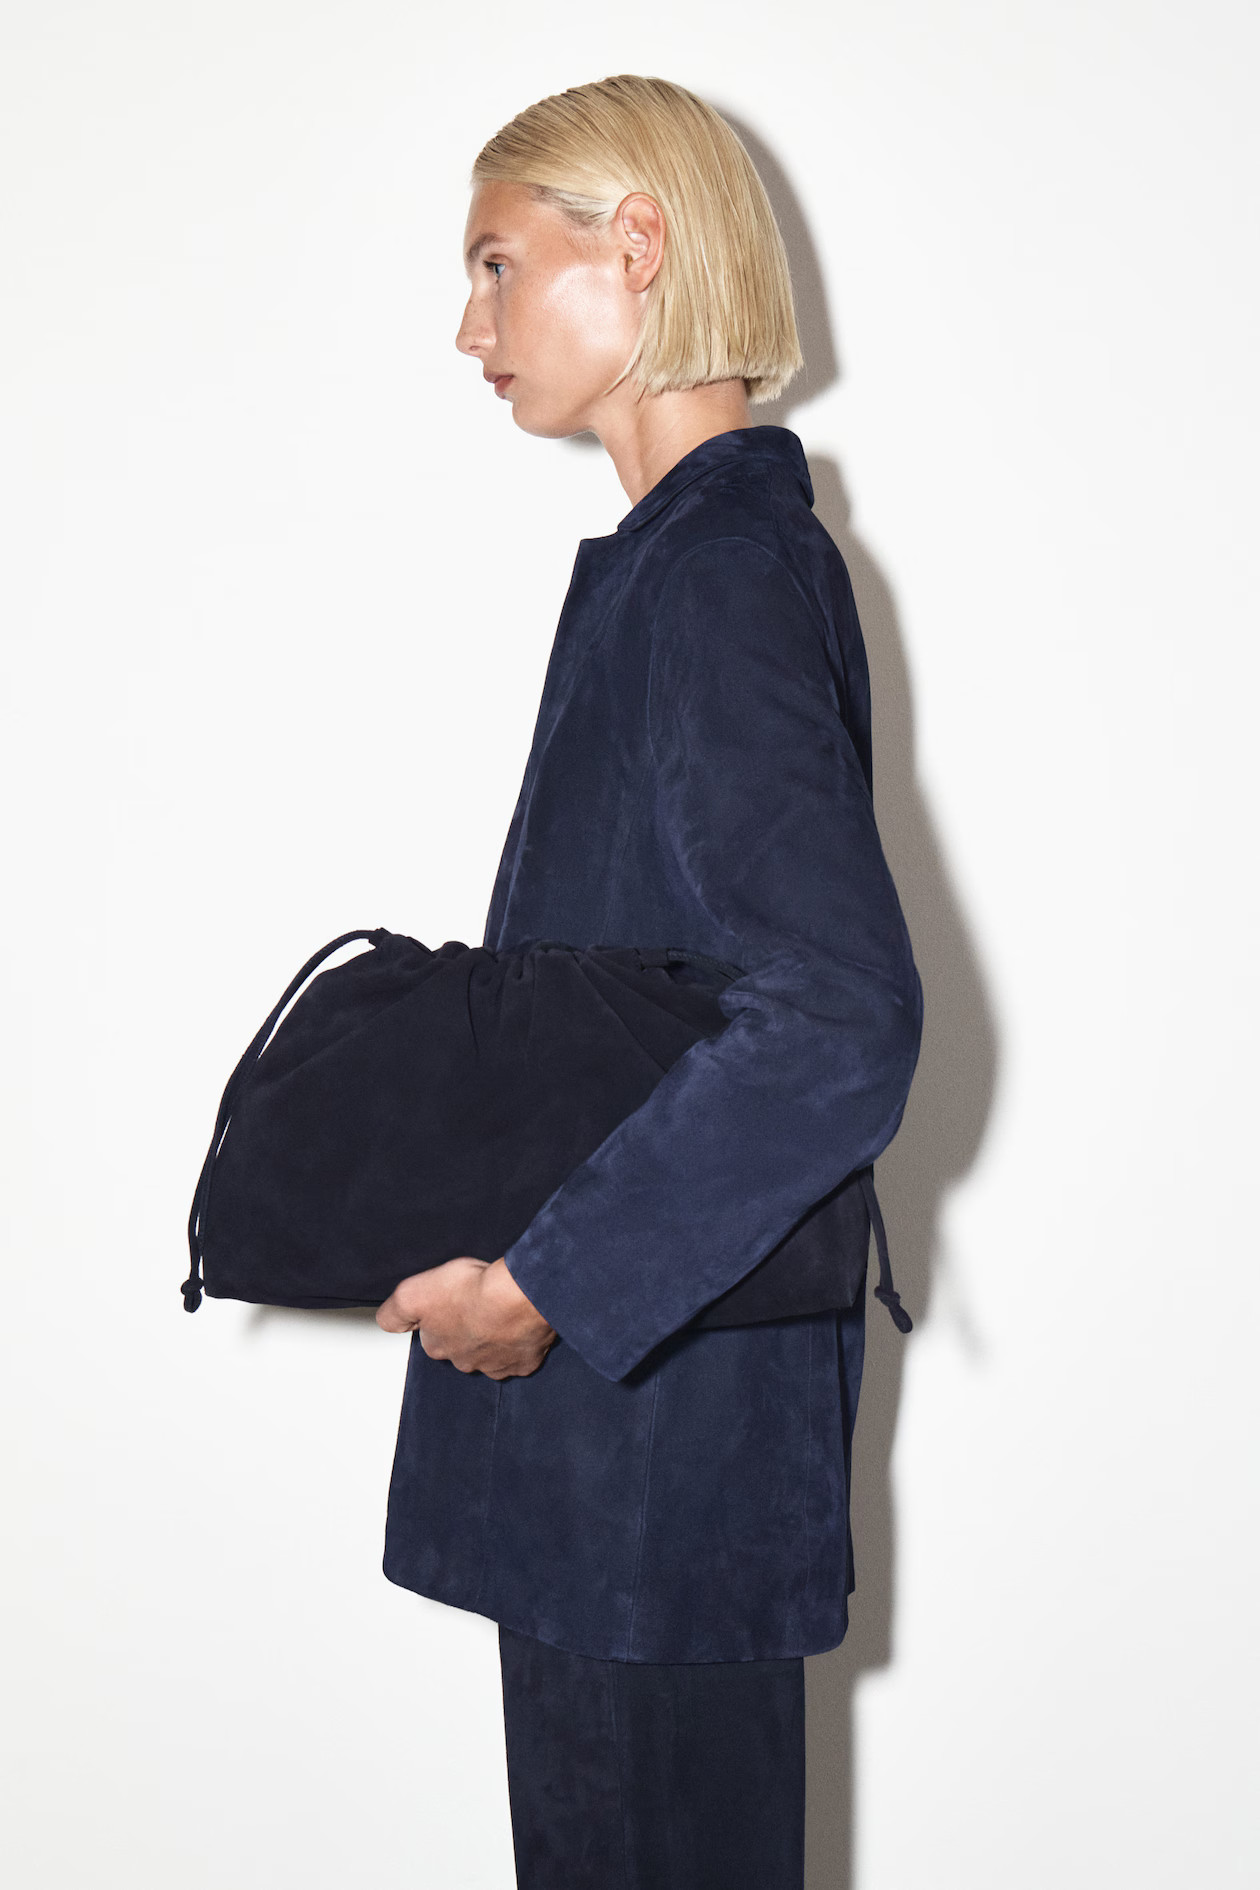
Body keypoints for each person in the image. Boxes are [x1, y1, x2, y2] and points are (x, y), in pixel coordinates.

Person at [374, 74, 922, 1890]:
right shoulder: (690, 565)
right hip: (638, 1473)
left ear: (640, 243)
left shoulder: (722, 577)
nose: (470, 327)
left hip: (657, 1478)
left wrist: (546, 1284)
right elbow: (645, 1002)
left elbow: (838, 1017)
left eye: (495, 265)